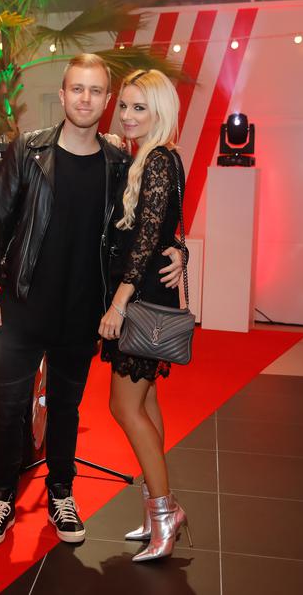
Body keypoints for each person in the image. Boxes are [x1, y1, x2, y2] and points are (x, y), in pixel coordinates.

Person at [0, 54, 183, 547]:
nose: (86, 99)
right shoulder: (28, 149)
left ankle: (61, 494)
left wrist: (179, 248)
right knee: (9, 409)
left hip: (84, 310)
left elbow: (145, 225)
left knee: (66, 410)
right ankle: (1, 498)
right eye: (77, 89)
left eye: (96, 91)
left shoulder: (120, 163)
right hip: (22, 304)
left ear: (106, 100)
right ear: (63, 94)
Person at [98, 68, 191, 562]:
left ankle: (164, 512)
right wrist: (181, 250)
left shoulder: (155, 160)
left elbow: (146, 241)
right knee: (147, 402)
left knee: (125, 407)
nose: (128, 115)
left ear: (160, 111)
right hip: (149, 293)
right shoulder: (159, 157)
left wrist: (118, 303)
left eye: (140, 107)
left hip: (139, 298)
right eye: (125, 106)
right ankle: (160, 507)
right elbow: (166, 231)